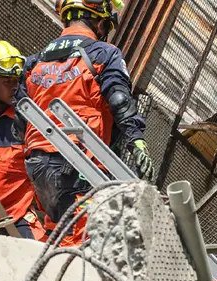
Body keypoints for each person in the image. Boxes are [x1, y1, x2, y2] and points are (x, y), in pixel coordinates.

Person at [14, 0, 152, 246]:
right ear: (98, 20)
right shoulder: (104, 53)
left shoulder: (35, 61)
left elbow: (19, 122)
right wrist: (137, 141)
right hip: (80, 162)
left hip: (37, 163)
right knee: (82, 237)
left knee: (57, 229)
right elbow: (119, 100)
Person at [0, 41, 46, 240]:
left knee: (39, 260)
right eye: (7, 81)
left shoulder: (29, 122)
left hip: (13, 217)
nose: (14, 87)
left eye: (16, 80)